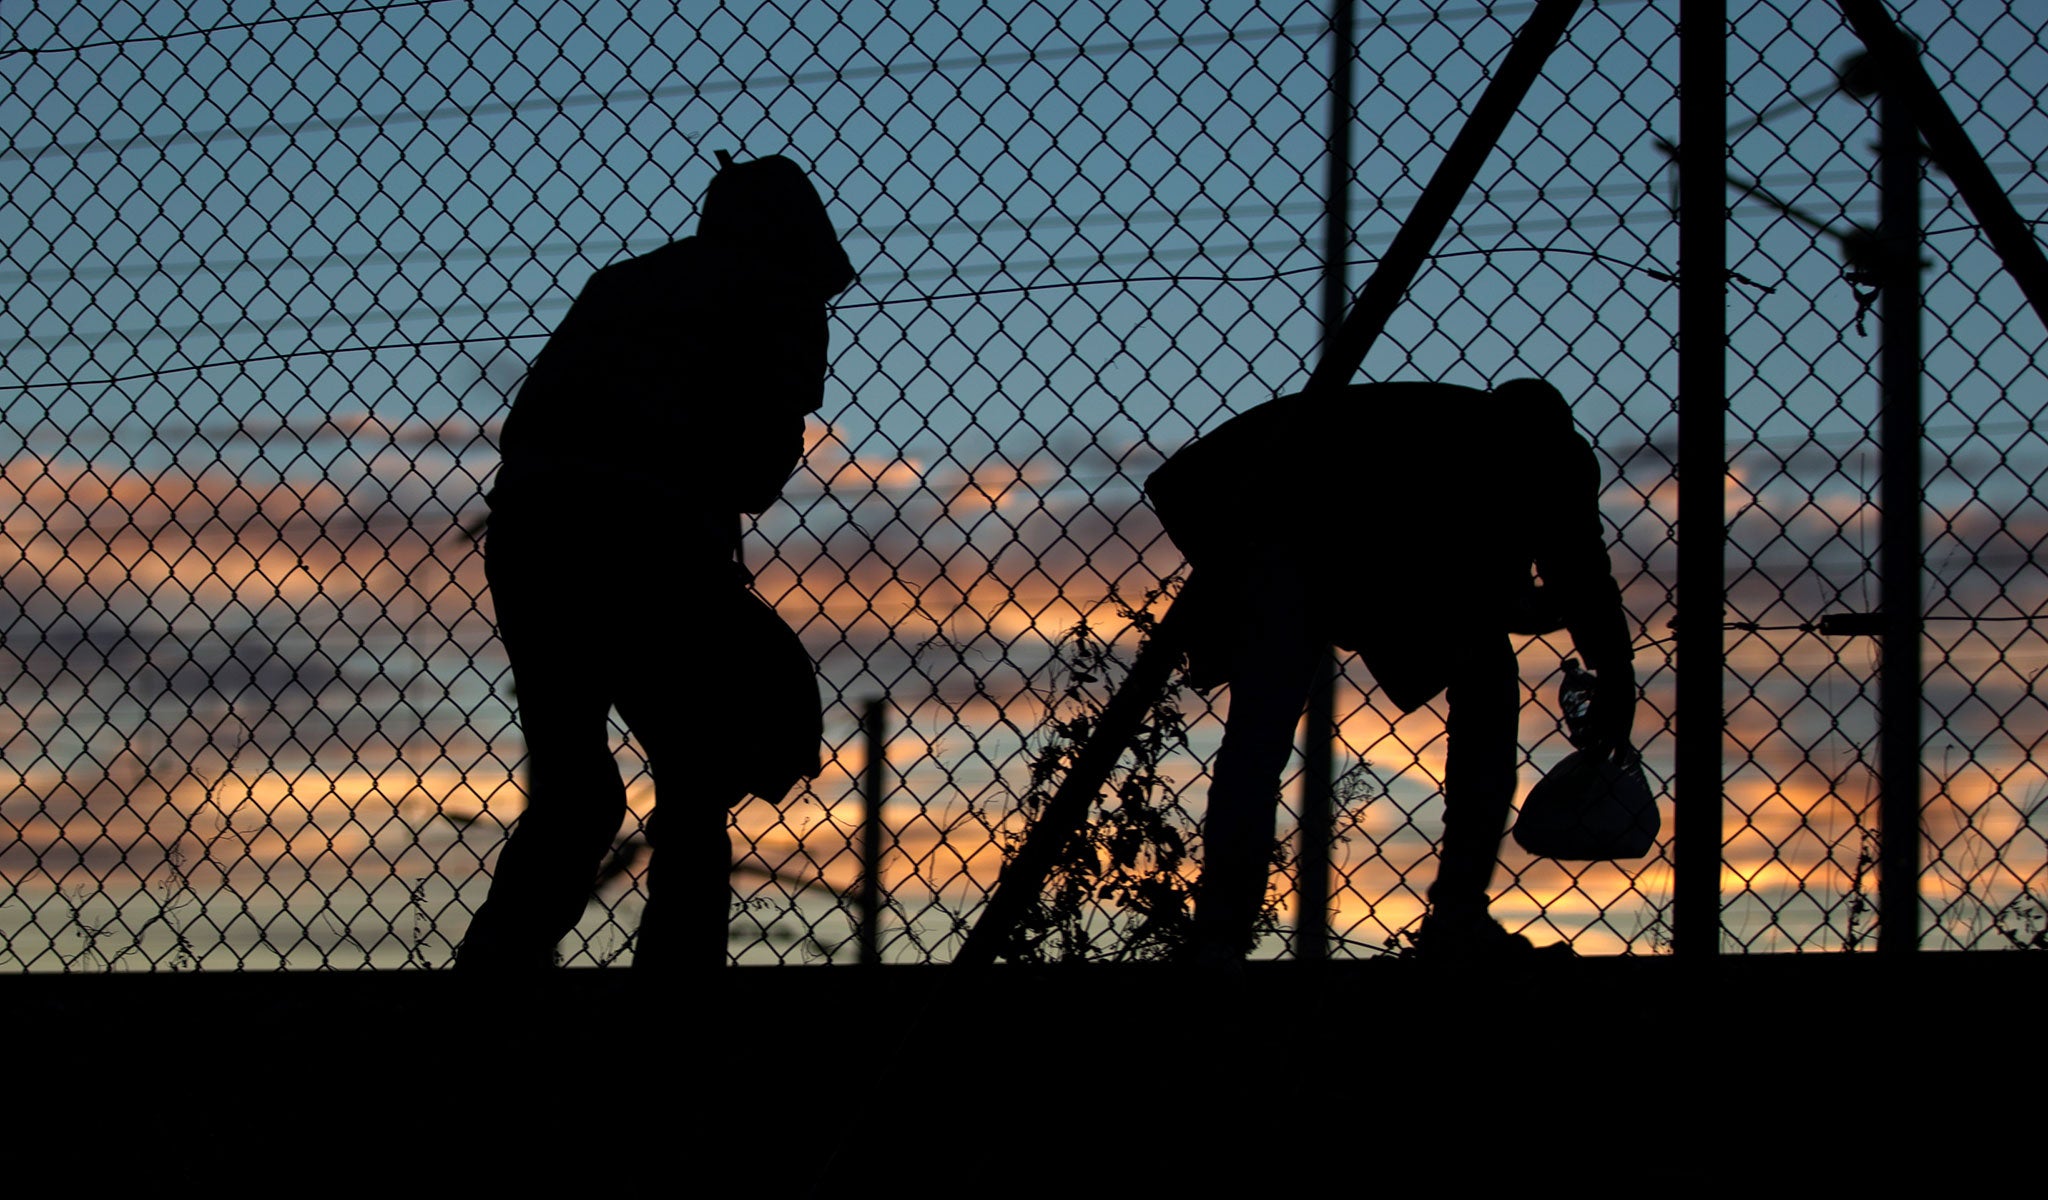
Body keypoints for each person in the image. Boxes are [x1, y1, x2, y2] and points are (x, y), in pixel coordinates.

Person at [457, 153, 856, 972]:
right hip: (654, 548)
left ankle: (489, 985)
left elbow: (531, 427)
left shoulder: (626, 284)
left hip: (536, 539)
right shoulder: (782, 296)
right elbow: (756, 476)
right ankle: (676, 1002)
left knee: (576, 793)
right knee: (696, 779)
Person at [1143, 379, 1637, 961]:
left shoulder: (1488, 449)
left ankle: (1225, 933)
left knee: (1264, 729)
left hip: (1304, 536)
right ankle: (1442, 917)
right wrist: (1614, 671)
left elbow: (1557, 574)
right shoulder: (1485, 451)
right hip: (1292, 533)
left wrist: (1605, 662)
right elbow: (1568, 573)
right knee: (1474, 680)